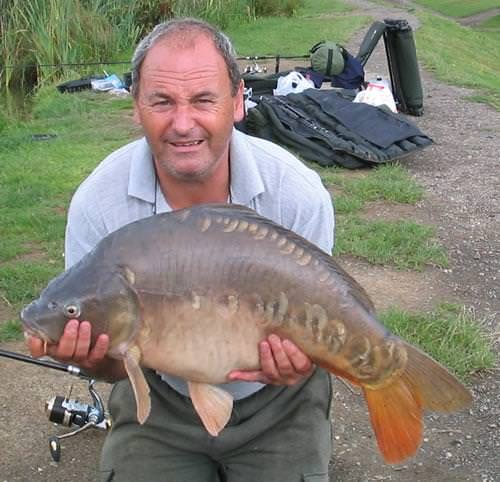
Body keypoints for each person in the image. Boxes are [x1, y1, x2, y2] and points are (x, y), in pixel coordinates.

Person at [27, 18, 335, 482]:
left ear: (237, 101)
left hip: (279, 404)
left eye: (204, 100)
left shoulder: (295, 194)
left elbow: (323, 319)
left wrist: (304, 360)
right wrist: (94, 357)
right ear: (136, 107)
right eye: (162, 101)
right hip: (158, 397)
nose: (183, 123)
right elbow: (112, 360)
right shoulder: (98, 203)